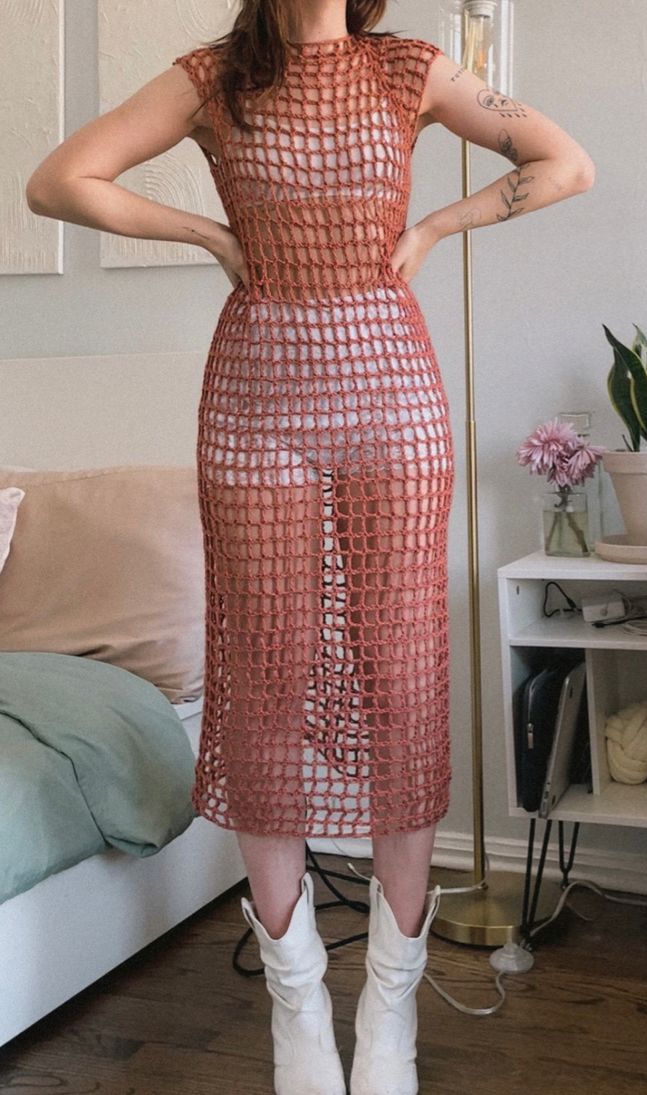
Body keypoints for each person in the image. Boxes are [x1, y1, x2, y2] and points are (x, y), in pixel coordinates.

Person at [26, 1, 594, 1091]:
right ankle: (296, 1003)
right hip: (256, 405)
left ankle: (390, 1009)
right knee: (267, 681)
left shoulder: (408, 71)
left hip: (391, 397)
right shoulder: (212, 78)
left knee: (398, 683)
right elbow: (59, 182)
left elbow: (564, 162)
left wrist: (433, 230)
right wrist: (204, 233)